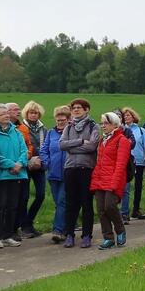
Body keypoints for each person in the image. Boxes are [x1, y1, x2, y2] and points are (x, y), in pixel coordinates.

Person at [59, 98, 100, 248]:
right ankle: (69, 234)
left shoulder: (93, 126)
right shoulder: (68, 127)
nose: (76, 110)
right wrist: (81, 142)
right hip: (70, 168)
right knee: (71, 203)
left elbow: (92, 146)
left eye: (79, 108)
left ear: (86, 109)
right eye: (74, 108)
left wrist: (73, 146)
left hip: (86, 168)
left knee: (86, 202)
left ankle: (87, 235)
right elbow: (62, 145)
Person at [0, 103, 28, 249]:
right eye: (3, 114)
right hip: (2, 175)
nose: (7, 115)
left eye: (7, 113)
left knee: (12, 206)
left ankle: (8, 235)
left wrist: (20, 164)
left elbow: (24, 150)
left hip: (17, 174)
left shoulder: (16, 132)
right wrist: (11, 164)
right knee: (0, 206)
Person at [91, 112, 131, 248]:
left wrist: (114, 183)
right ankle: (108, 238)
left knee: (110, 206)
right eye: (102, 123)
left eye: (106, 123)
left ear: (115, 124)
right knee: (101, 210)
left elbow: (121, 164)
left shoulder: (122, 140)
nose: (103, 126)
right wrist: (95, 179)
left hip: (115, 180)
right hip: (100, 179)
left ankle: (120, 230)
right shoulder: (102, 141)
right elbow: (99, 162)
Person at [40, 106, 69, 243]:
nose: (60, 123)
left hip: (67, 173)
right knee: (59, 203)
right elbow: (44, 150)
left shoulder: (71, 133)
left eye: (62, 120)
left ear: (68, 120)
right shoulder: (51, 133)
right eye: (58, 120)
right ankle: (66, 228)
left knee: (62, 201)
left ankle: (57, 230)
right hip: (53, 173)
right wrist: (47, 163)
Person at [18, 101, 47, 238]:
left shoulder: (43, 129)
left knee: (40, 195)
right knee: (24, 197)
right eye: (31, 112)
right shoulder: (21, 128)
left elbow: (46, 146)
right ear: (26, 113)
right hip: (25, 165)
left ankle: (29, 221)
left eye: (36, 113)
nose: (33, 115)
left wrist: (43, 160)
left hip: (40, 166)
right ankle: (24, 226)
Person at [120, 107, 145, 223]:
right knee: (125, 187)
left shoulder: (141, 130)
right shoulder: (121, 130)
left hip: (139, 161)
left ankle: (136, 209)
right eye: (124, 116)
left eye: (128, 115)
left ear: (133, 116)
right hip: (126, 161)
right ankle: (124, 212)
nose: (126, 117)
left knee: (138, 186)